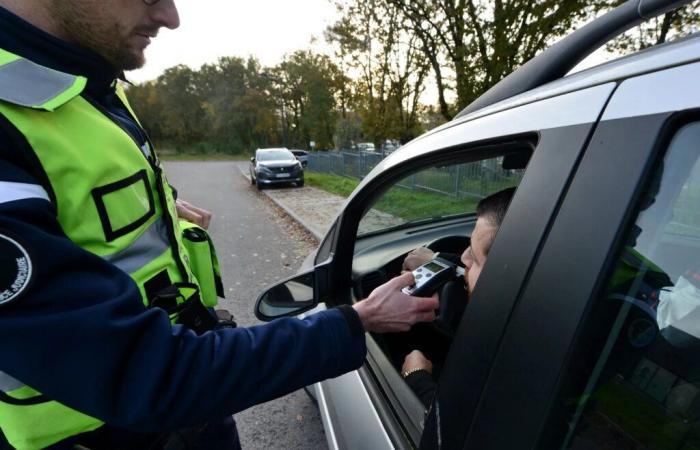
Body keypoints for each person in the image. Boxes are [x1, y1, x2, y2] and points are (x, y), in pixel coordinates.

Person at [0, 1, 439, 449]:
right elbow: (148, 374)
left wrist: (165, 207)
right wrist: (356, 320)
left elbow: (87, 199)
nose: (170, 17)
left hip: (191, 417)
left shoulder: (90, 87)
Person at [400, 187, 516, 408]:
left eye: (473, 254)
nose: (463, 258)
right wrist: (437, 259)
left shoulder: (502, 356)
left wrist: (416, 377)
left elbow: (450, 429)